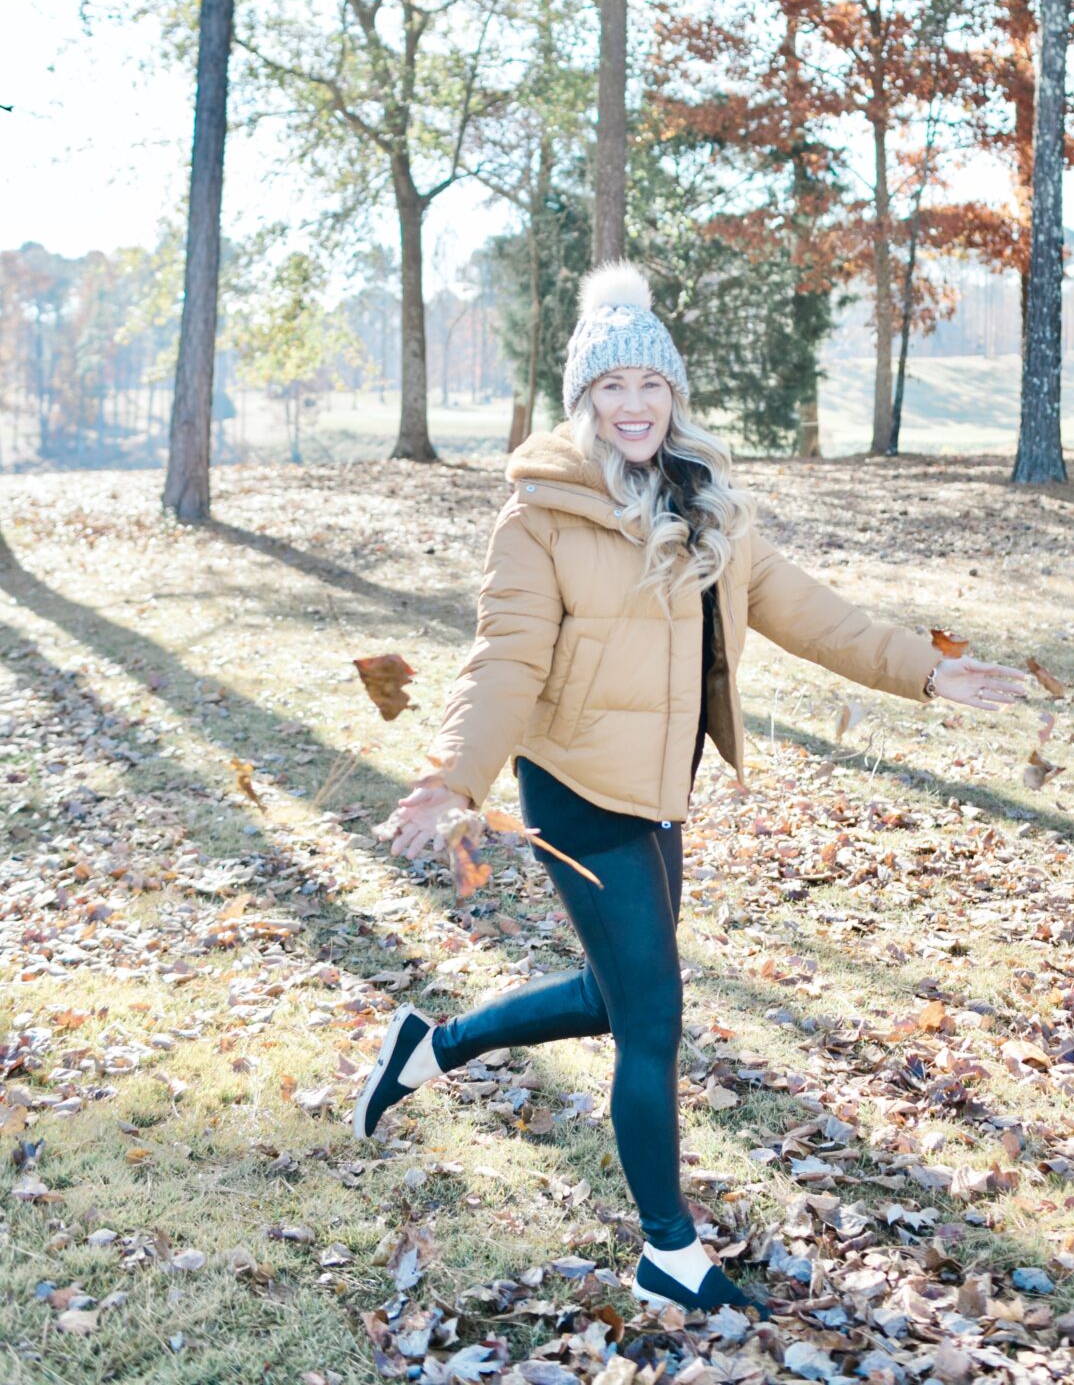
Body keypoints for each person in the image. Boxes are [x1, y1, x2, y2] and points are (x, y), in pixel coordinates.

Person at [355, 263, 1028, 1316]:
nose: (633, 403)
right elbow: (503, 662)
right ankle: (666, 1249)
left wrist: (927, 668)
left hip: (664, 787)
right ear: (585, 401)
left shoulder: (708, 504)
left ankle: (429, 1047)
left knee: (616, 991)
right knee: (653, 1019)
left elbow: (814, 613)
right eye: (611, 385)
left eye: (651, 384)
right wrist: (452, 778)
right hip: (577, 785)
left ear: (674, 396)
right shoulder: (539, 517)